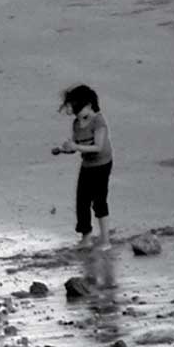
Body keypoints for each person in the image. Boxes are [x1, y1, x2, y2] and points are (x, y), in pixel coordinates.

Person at [56, 84, 113, 250]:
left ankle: (105, 240)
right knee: (82, 200)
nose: (77, 116)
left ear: (88, 105)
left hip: (102, 164)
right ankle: (86, 236)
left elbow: (99, 147)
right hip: (87, 164)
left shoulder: (99, 122)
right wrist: (65, 149)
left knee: (99, 201)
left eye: (78, 110)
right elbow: (77, 145)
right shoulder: (76, 123)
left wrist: (76, 147)